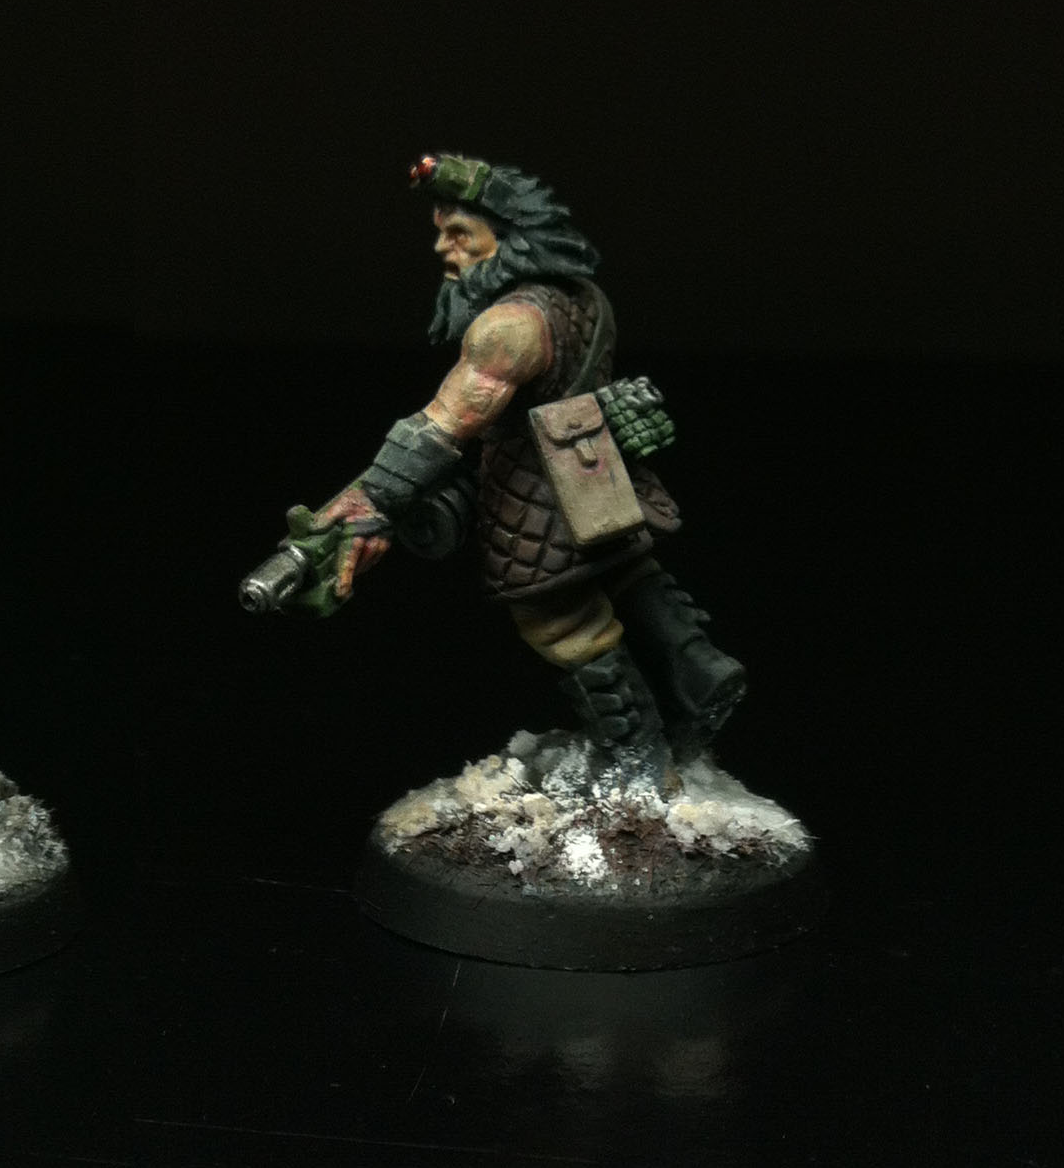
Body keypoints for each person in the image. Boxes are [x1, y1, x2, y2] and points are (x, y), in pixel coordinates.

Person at [315, 153, 746, 787]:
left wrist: (372, 496)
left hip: (534, 492)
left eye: (460, 233)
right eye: (441, 232)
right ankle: (695, 662)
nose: (443, 248)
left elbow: (446, 421)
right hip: (597, 470)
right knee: (624, 569)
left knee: (559, 619)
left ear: (512, 234)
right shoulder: (584, 299)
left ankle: (637, 759)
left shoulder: (506, 327)